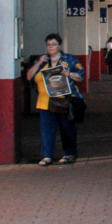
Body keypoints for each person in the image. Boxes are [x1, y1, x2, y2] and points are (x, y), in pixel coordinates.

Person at [26, 33, 84, 166]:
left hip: (63, 100)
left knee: (66, 128)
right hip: (45, 101)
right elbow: (29, 76)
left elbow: (81, 76)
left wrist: (68, 74)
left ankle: (69, 153)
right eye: (48, 44)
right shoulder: (42, 61)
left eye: (53, 44)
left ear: (59, 45)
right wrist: (39, 63)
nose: (50, 47)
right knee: (47, 130)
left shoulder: (69, 59)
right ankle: (47, 155)